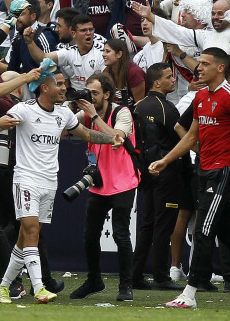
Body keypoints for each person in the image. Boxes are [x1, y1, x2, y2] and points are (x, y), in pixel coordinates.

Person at [149, 47, 230, 310]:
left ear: (220, 68)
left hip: (223, 173)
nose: (199, 68)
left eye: (205, 64)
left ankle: (189, 293)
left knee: (203, 230)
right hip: (204, 170)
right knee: (228, 234)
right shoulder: (199, 98)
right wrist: (166, 159)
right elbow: (192, 136)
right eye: (200, 64)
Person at [0, 71, 123, 304]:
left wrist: (110, 138)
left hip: (49, 181)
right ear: (44, 88)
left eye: (64, 85)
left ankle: (2, 286)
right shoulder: (24, 109)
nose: (64, 89)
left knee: (26, 237)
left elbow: (85, 133)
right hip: (26, 178)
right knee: (31, 231)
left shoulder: (63, 114)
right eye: (59, 85)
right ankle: (40, 287)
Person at [72, 73, 139, 302]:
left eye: (95, 93)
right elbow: (65, 128)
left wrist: (93, 117)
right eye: (88, 92)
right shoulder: (85, 113)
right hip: (98, 183)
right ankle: (94, 280)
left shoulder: (122, 112)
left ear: (107, 94)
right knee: (90, 235)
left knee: (121, 234)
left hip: (123, 181)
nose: (90, 97)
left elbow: (117, 138)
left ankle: (126, 286)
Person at [131, 63, 184, 291]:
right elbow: (180, 142)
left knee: (148, 224)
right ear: (156, 83)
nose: (173, 80)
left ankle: (135, 275)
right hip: (166, 173)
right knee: (163, 225)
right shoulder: (168, 109)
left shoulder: (139, 107)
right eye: (168, 77)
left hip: (145, 173)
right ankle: (161, 276)